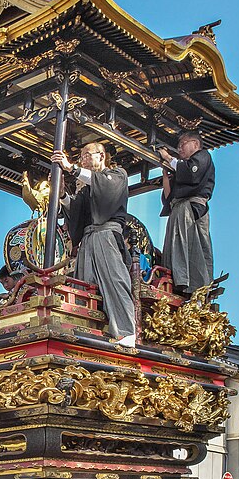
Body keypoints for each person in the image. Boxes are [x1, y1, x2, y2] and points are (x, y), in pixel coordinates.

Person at [52, 142, 137, 347]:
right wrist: (62, 194)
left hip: (106, 235)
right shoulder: (86, 188)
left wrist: (71, 168)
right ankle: (87, 329)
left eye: (87, 156)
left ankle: (126, 331)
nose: (83, 160)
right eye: (81, 157)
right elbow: (76, 212)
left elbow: (105, 187)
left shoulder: (117, 175)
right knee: (82, 283)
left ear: (101, 156)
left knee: (114, 279)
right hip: (88, 240)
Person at [157, 132, 216, 295]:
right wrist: (165, 176)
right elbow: (169, 198)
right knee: (174, 245)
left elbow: (191, 173)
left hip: (191, 209)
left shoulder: (203, 156)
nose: (179, 148)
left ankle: (193, 285)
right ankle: (177, 280)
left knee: (191, 246)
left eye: (183, 144)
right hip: (178, 209)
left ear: (195, 144)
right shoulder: (181, 168)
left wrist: (169, 158)